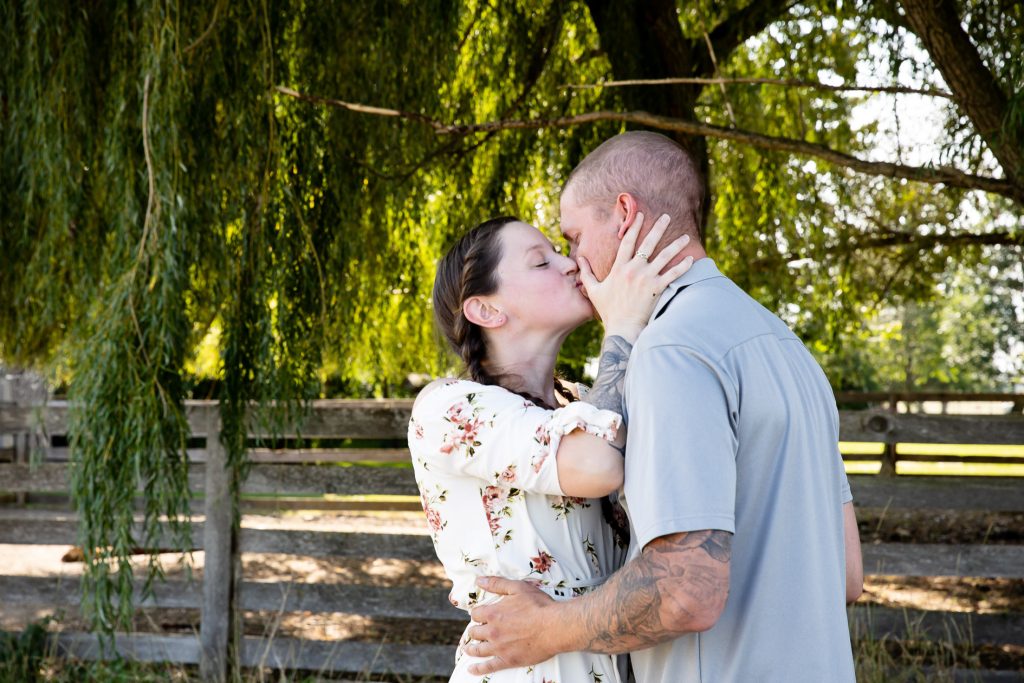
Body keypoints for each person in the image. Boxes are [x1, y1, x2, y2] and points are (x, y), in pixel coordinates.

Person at [462, 131, 864, 682]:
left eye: (574, 236)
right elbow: (845, 575)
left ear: (624, 215)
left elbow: (683, 593)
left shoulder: (669, 349)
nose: (575, 262)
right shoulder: (789, 350)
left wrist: (545, 630)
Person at [409, 212, 694, 681]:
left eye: (560, 252)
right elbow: (599, 465)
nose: (569, 264)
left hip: (613, 656)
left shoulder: (584, 402)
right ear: (486, 311)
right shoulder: (449, 408)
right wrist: (622, 324)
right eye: (541, 262)